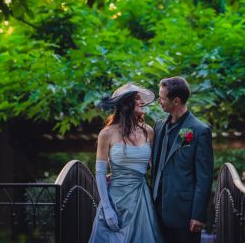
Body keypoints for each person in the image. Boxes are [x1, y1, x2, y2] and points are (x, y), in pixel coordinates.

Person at [88, 82, 163, 243]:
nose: (143, 102)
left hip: (142, 198)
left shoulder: (148, 131)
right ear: (126, 103)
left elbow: (152, 165)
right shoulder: (107, 133)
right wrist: (107, 209)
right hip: (115, 199)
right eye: (138, 98)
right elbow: (100, 173)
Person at [152, 76, 214, 243]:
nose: (159, 101)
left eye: (162, 97)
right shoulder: (158, 127)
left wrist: (198, 215)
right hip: (156, 212)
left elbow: (204, 177)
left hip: (184, 215)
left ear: (176, 101)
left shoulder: (200, 131)